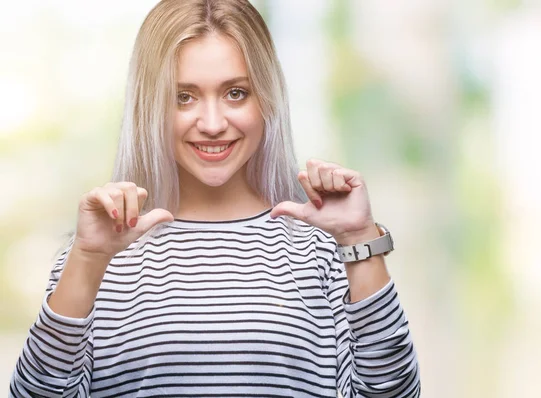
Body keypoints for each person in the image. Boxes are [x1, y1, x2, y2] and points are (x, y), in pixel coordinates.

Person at [9, 0, 421, 397]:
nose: (211, 123)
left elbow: (393, 394)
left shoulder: (324, 250)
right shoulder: (94, 255)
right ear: (149, 105)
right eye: (183, 97)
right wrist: (87, 259)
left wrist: (357, 238)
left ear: (266, 98)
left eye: (236, 93)